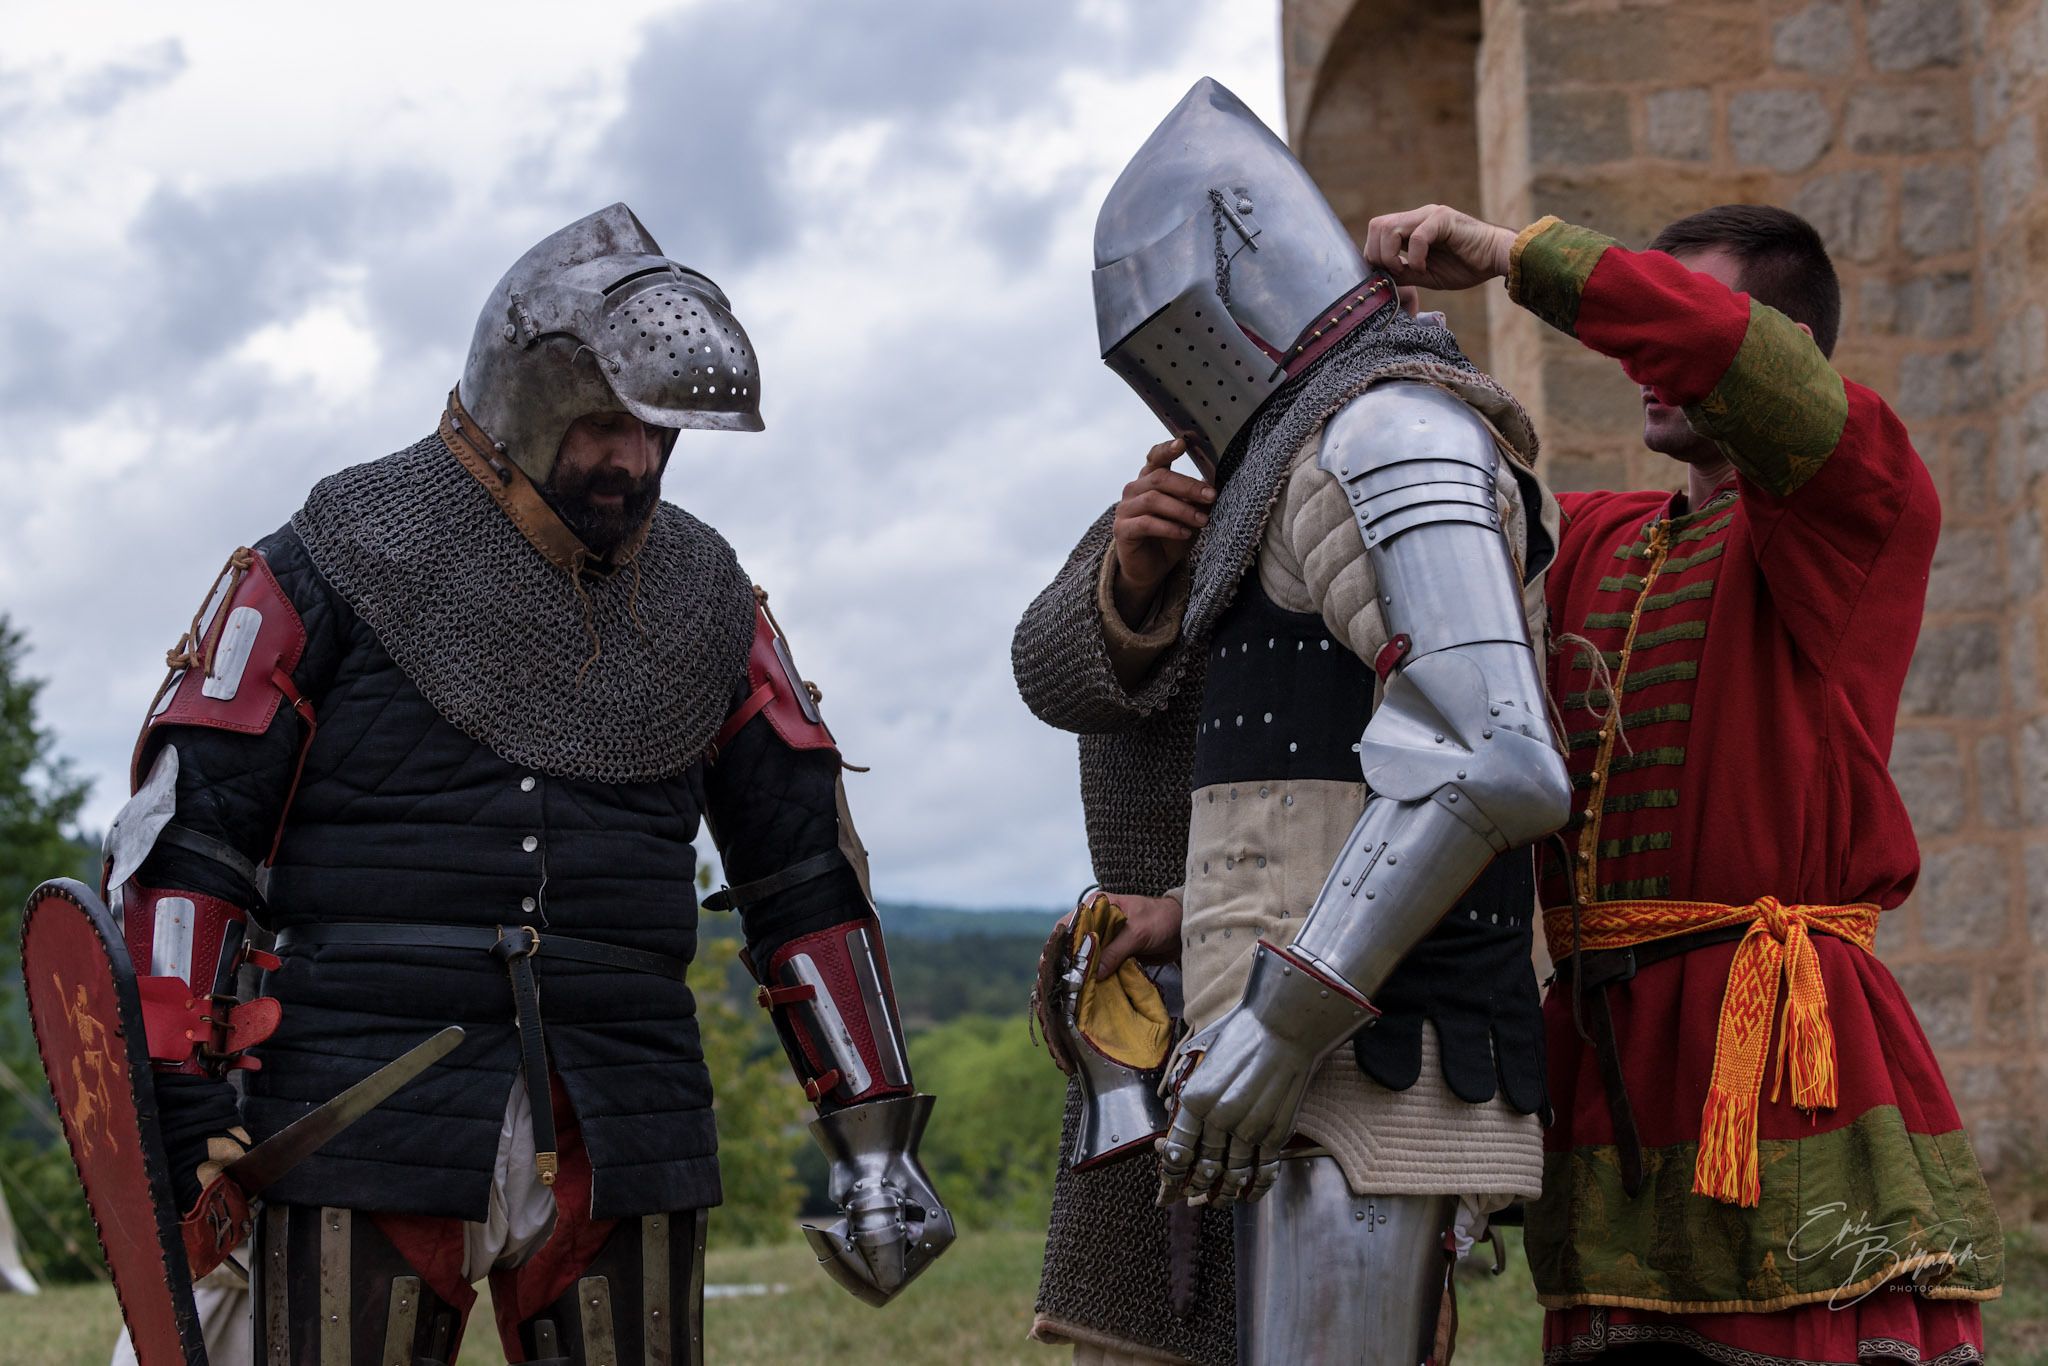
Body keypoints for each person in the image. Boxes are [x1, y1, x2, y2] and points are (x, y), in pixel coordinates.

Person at [94, 202, 951, 1366]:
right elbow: (192, 832)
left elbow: (800, 864)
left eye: (655, 431)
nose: (634, 458)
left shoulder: (706, 597)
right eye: (604, 426)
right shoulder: (339, 550)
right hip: (363, 1092)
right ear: (522, 404)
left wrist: (873, 1135)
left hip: (622, 1100)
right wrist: (175, 1092)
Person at [1362, 201, 2004, 1363]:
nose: (1641, 363)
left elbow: (1716, 349)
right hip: (1608, 1056)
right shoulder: (1597, 537)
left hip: (1781, 1047)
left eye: (1674, 325)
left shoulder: (1858, 493)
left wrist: (1513, 256)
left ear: (1784, 352)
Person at [1014, 78, 1571, 1365]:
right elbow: (1058, 670)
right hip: (1296, 1034)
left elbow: (1494, 753)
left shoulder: (1385, 430)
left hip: (1359, 1040)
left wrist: (1279, 1018)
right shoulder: (1277, 463)